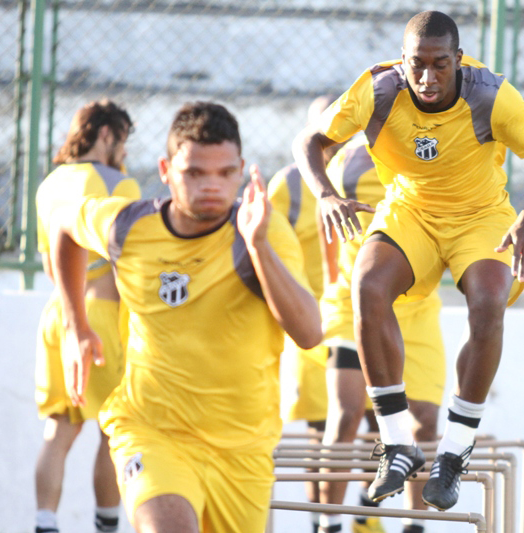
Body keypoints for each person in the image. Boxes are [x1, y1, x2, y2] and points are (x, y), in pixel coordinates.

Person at [293, 10, 524, 511]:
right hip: (410, 213)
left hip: (480, 216)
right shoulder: (378, 90)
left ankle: (456, 446)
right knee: (367, 287)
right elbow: (310, 141)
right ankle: (397, 440)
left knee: (488, 301)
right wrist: (325, 193)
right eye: (416, 64)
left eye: (439, 64)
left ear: (458, 60)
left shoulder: (489, 95)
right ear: (402, 61)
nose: (426, 77)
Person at [50, 101, 322, 532]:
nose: (211, 186)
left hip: (242, 449)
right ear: (165, 169)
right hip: (152, 431)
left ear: (241, 170)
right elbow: (64, 225)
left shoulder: (262, 230)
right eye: (194, 173)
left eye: (224, 173)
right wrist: (74, 325)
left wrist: (258, 248)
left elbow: (309, 333)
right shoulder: (129, 227)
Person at [317, 136, 445, 533]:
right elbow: (329, 230)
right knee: (347, 412)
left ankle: (412, 526)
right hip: (356, 301)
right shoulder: (349, 160)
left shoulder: (440, 151)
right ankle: (329, 525)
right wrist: (331, 285)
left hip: (416, 304)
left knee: (424, 420)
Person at [34, 99, 139, 533]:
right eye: (123, 141)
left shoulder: (49, 184)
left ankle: (44, 523)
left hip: (57, 313)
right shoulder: (118, 183)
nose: (125, 153)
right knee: (114, 430)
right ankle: (106, 527)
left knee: (58, 431)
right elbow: (127, 259)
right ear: (106, 135)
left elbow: (49, 257)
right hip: (102, 314)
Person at [268, 95, 338, 533]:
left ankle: (360, 519)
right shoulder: (289, 184)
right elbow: (268, 249)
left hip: (356, 316)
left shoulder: (369, 171)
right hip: (310, 323)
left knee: (368, 428)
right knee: (321, 431)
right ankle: (322, 524)